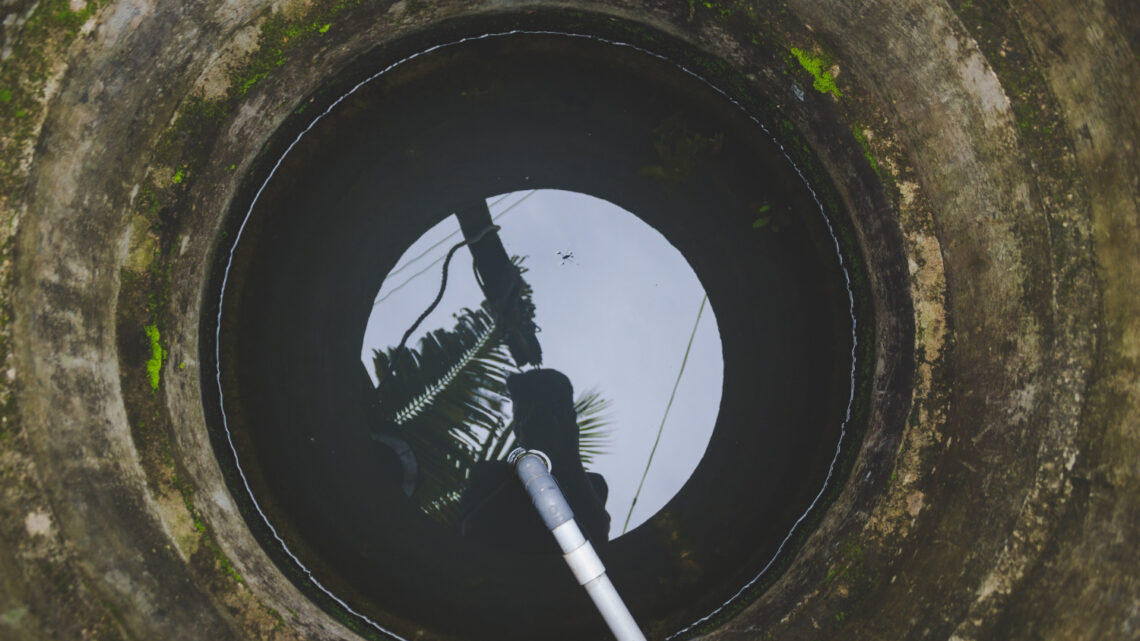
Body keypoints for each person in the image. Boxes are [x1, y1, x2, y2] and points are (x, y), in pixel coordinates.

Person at [459, 369, 611, 552]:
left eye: (535, 414)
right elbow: (471, 532)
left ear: (568, 419)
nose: (523, 425)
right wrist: (531, 467)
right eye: (519, 416)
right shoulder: (490, 474)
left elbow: (598, 537)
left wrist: (570, 455)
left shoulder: (594, 485)